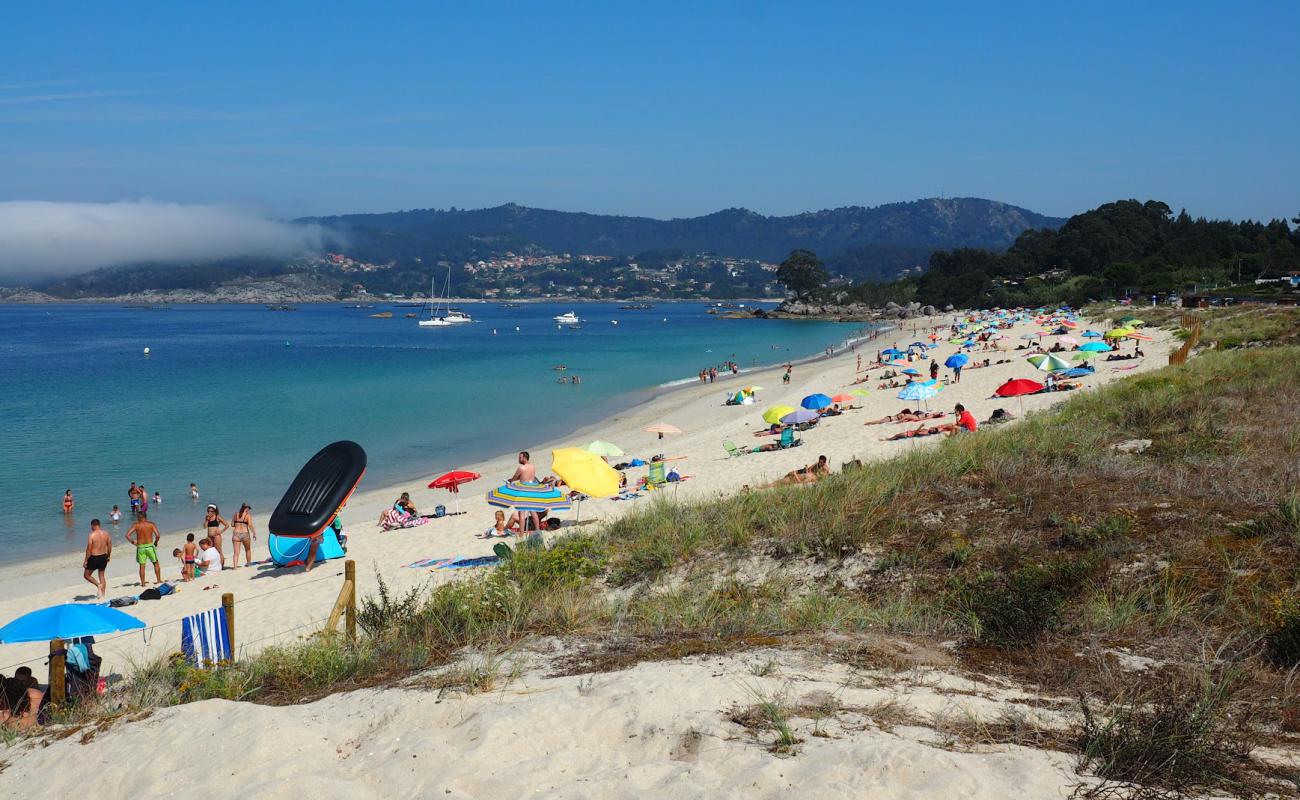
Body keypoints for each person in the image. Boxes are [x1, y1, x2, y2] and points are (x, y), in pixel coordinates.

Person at [125, 510, 162, 587]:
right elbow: (158, 535)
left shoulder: (136, 525)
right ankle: (158, 580)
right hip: (150, 546)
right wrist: (156, 542)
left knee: (142, 566)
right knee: (156, 563)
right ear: (145, 516)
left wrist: (133, 542)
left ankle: (143, 583)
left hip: (141, 547)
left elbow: (127, 535)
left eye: (137, 517)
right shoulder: (151, 524)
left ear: (139, 517)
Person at [82, 518, 111, 599]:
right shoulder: (106, 533)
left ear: (92, 525)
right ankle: (103, 594)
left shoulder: (91, 535)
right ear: (99, 525)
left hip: (94, 557)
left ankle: (98, 585)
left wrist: (86, 560)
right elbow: (109, 546)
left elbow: (89, 549)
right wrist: (108, 556)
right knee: (101, 575)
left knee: (86, 575)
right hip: (103, 556)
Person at [230, 503, 256, 568]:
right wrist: (254, 533)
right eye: (248, 508)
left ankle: (235, 567)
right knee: (247, 549)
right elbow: (250, 525)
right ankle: (249, 564)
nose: (248, 510)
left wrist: (238, 524)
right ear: (246, 508)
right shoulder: (248, 515)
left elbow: (232, 524)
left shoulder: (236, 514)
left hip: (236, 534)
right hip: (245, 534)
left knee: (236, 552)